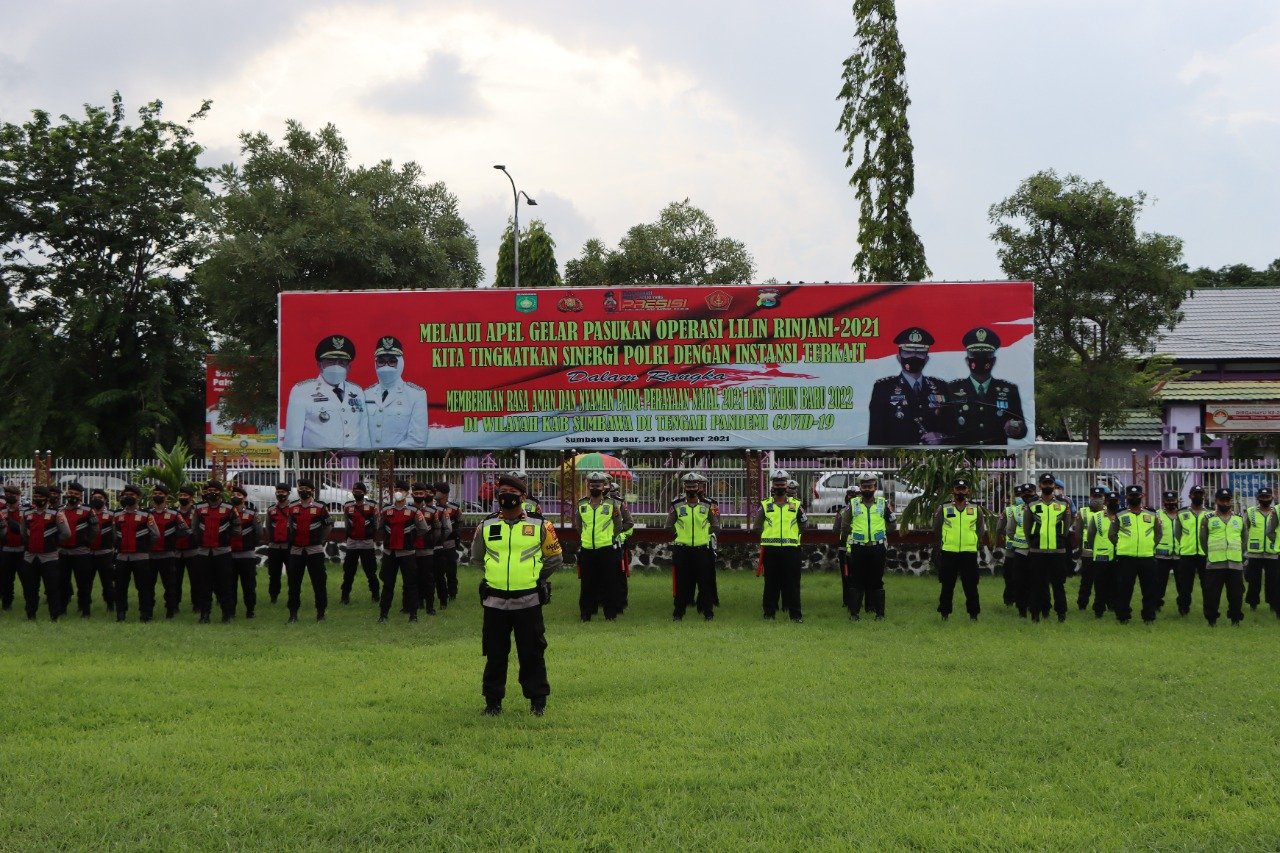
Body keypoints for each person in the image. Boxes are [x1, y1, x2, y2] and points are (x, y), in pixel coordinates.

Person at [471, 473, 564, 717]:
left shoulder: (541, 525)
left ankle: (537, 702)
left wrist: (535, 578)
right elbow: (477, 559)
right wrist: (497, 575)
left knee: (532, 654)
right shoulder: (486, 525)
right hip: (495, 602)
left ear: (523, 497)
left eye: (511, 493)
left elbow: (554, 559)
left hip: (528, 601)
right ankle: (492, 703)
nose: (506, 497)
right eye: (502, 493)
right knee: (495, 654)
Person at [282, 334, 369, 450]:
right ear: (320, 365)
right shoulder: (301, 391)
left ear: (349, 367)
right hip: (318, 463)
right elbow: (293, 439)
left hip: (352, 462)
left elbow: (364, 435)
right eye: (330, 361)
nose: (336, 366)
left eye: (342, 362)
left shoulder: (357, 391)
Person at [867, 326, 950, 446]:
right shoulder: (883, 388)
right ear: (899, 357)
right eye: (908, 352)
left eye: (919, 352)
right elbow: (876, 436)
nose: (914, 357)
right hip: (897, 460)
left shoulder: (941, 387)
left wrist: (942, 437)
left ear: (926, 359)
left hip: (933, 461)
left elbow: (953, 430)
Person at [946, 327, 1028, 446]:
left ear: (994, 361)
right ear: (967, 360)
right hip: (963, 459)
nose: (980, 359)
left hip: (997, 459)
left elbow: (1022, 429)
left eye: (986, 355)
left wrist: (1017, 429)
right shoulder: (952, 389)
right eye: (975, 355)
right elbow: (944, 426)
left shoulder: (1009, 390)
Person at [573, 471, 633, 622]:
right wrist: (586, 538)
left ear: (604, 486)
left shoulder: (612, 504)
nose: (595, 487)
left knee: (609, 583)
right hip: (587, 549)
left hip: (606, 549)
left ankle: (610, 614)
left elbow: (619, 525)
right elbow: (578, 525)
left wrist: (609, 538)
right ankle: (585, 614)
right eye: (592, 484)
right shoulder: (581, 504)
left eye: (598, 485)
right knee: (587, 584)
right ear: (588, 485)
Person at [752, 470, 807, 622]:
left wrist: (792, 535)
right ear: (773, 486)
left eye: (782, 484)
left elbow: (804, 524)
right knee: (771, 584)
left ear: (787, 485)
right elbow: (757, 527)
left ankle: (795, 615)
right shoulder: (765, 505)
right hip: (771, 550)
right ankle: (769, 614)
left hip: (791, 551)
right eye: (777, 484)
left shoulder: (796, 505)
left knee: (793, 584)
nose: (780, 486)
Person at [668, 472, 720, 621]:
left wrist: (705, 534)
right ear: (684, 487)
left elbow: (716, 525)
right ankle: (678, 613)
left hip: (702, 549)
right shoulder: (677, 504)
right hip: (682, 549)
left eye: (694, 486)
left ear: (698, 487)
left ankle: (708, 613)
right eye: (688, 486)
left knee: (705, 583)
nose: (691, 488)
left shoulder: (707, 505)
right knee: (682, 583)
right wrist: (678, 535)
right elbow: (668, 525)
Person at [842, 472, 894, 620]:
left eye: (869, 486)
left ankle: (880, 614)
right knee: (856, 581)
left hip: (877, 548)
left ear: (875, 487)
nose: (867, 489)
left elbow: (892, 523)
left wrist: (882, 534)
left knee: (877, 580)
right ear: (860, 488)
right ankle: (854, 614)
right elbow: (845, 525)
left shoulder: (883, 503)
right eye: (864, 486)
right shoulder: (853, 504)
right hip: (859, 548)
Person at [934, 476, 986, 620]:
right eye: (958, 489)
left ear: (968, 491)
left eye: (963, 489)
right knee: (947, 585)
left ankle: (973, 614)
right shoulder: (944, 508)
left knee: (971, 586)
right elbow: (937, 528)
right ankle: (944, 613)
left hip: (969, 553)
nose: (960, 491)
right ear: (953, 490)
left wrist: (973, 541)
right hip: (949, 552)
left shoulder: (976, 509)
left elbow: (980, 529)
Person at [363, 335, 428, 449]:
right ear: (375, 363)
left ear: (401, 363)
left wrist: (388, 456)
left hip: (400, 463)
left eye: (392, 361)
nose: (386, 366)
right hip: (368, 462)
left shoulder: (415, 395)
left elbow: (418, 440)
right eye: (381, 361)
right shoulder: (365, 394)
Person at [1108, 484, 1161, 624]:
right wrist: (1121, 546)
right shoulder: (1120, 514)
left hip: (1147, 557)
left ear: (1142, 496)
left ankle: (1149, 616)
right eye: (1131, 496)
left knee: (1149, 589)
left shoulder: (1151, 514)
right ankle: (1123, 616)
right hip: (1126, 557)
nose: (1134, 498)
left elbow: (1158, 534)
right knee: (1124, 589)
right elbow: (1112, 535)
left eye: (1137, 495)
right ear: (1126, 497)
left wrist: (1150, 546)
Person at [1024, 473, 1072, 622]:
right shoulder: (1032, 503)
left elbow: (1067, 524)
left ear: (1054, 486)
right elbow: (1027, 526)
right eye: (1045, 483)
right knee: (1037, 584)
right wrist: (1032, 542)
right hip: (1037, 550)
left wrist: (1060, 539)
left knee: (1058, 584)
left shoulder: (1063, 503)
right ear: (1040, 485)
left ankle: (1061, 614)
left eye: (1050, 483)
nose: (1048, 486)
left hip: (1057, 550)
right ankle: (1035, 614)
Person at [190, 480, 240, 624]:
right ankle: (204, 614)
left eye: (215, 490)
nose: (212, 492)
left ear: (220, 492)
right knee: (204, 585)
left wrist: (226, 539)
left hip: (222, 552)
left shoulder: (229, 508)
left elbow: (237, 529)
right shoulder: (199, 508)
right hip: (204, 552)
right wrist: (199, 540)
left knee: (225, 585)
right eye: (209, 490)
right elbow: (193, 528)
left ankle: (227, 614)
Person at [377, 482, 427, 623]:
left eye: (401, 490)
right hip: (390, 553)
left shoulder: (413, 511)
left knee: (411, 584)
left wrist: (410, 538)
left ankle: (413, 615)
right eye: (396, 489)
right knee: (388, 584)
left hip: (407, 553)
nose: (398, 492)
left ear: (407, 493)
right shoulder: (386, 511)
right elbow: (379, 527)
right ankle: (383, 615)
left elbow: (423, 529)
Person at [286, 478, 332, 622]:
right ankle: (293, 614)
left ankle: (321, 613)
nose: (303, 491)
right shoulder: (292, 507)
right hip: (296, 551)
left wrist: (319, 540)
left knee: (319, 583)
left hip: (314, 550)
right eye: (301, 488)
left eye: (306, 488)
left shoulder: (320, 507)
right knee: (293, 584)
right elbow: (290, 527)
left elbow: (329, 525)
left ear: (312, 490)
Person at [1200, 488, 1245, 626]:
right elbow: (1203, 540)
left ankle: (1235, 619)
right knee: (1212, 594)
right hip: (1215, 563)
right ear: (1216, 501)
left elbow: (1244, 538)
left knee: (1236, 594)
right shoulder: (1208, 519)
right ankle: (1211, 619)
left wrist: (1239, 553)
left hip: (1235, 562)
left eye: (1228, 500)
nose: (1225, 502)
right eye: (1222, 500)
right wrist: (1210, 554)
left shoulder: (1239, 518)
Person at [56, 481, 100, 618]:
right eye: (70, 493)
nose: (72, 496)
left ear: (81, 496)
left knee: (83, 584)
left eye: (75, 494)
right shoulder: (60, 510)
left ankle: (85, 610)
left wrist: (86, 541)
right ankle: (62, 609)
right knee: (62, 582)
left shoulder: (88, 511)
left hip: (81, 552)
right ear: (66, 494)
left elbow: (95, 529)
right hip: (63, 552)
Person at [17, 486, 62, 620]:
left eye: (40, 497)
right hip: (30, 557)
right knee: (30, 588)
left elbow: (65, 533)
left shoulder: (56, 514)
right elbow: (23, 533)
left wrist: (52, 543)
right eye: (35, 496)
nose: (37, 499)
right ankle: (31, 615)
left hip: (49, 557)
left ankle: (54, 616)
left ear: (47, 499)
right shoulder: (27, 513)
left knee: (52, 588)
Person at [113, 484, 155, 622]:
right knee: (120, 588)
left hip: (140, 557)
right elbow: (114, 535)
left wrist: (144, 546)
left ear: (138, 497)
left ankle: (145, 615)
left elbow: (156, 534)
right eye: (125, 495)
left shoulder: (146, 515)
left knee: (144, 587)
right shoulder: (117, 515)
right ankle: (120, 614)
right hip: (122, 558)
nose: (128, 497)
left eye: (132, 495)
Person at [148, 485, 191, 620]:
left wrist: (172, 538)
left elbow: (185, 530)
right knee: (148, 586)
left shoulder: (174, 514)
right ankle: (147, 610)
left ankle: (170, 611)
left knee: (170, 585)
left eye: (160, 493)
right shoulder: (147, 513)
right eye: (155, 493)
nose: (157, 495)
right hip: (150, 555)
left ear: (166, 497)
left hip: (168, 555)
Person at [340, 481, 380, 605]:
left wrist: (372, 535)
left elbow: (377, 524)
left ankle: (375, 594)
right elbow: (346, 524)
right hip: (352, 543)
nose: (357, 493)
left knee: (370, 571)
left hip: (367, 543)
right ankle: (345, 596)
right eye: (355, 491)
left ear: (365, 493)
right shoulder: (347, 506)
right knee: (348, 571)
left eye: (359, 492)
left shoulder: (373, 506)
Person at [997, 483, 1034, 617]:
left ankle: (1029, 602)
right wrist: (1010, 541)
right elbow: (1002, 529)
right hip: (1013, 549)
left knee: (1029, 578)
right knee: (1011, 577)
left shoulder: (1036, 508)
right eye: (1018, 495)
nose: (1020, 497)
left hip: (1030, 549)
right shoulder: (1011, 510)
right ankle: (1010, 600)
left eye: (1021, 494)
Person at [1242, 486, 1279, 615]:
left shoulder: (1277, 512)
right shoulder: (1250, 511)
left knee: (1273, 582)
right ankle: (1253, 604)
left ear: (1272, 498)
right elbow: (1244, 529)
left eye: (1267, 497)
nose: (1265, 499)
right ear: (1258, 498)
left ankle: (1273, 605)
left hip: (1272, 553)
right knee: (1253, 581)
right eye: (1262, 497)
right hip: (1254, 553)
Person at [1174, 485, 1210, 616]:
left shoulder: (1210, 514)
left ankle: (1208, 609)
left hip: (1204, 554)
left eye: (1200, 494)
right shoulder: (1182, 513)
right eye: (1196, 494)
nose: (1198, 496)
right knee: (1185, 586)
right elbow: (1177, 534)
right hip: (1187, 554)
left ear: (1204, 496)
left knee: (1207, 585)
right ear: (1190, 496)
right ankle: (1183, 609)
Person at [163, 484, 197, 617]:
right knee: (174, 580)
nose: (183, 497)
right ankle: (174, 604)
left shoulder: (196, 512)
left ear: (191, 498)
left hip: (192, 551)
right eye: (181, 495)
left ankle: (197, 604)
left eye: (185, 496)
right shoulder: (174, 513)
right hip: (176, 551)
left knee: (196, 580)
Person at [1084, 491, 1118, 619]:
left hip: (1119, 555)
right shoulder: (1097, 517)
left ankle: (1113, 605)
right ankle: (1099, 609)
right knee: (1100, 585)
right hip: (1101, 557)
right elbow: (1091, 537)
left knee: (1116, 583)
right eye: (1110, 501)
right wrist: (1097, 549)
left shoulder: (1123, 516)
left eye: (1115, 501)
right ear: (1105, 502)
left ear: (1119, 502)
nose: (1113, 503)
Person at [228, 484, 259, 619]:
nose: (235, 497)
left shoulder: (252, 514)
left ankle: (250, 610)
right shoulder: (226, 512)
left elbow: (258, 533)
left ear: (244, 498)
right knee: (230, 585)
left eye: (239, 495)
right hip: (229, 555)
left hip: (247, 555)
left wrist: (250, 545)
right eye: (233, 495)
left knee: (249, 585)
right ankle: (231, 610)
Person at [1073, 486, 1107, 612]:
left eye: (1100, 497)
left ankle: (1106, 604)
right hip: (1088, 552)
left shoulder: (1108, 512)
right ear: (1090, 497)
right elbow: (1078, 533)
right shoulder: (1082, 512)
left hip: (1104, 551)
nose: (1097, 500)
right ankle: (1082, 604)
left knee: (1104, 580)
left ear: (1104, 498)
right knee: (1086, 580)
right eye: (1095, 497)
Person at [412, 482, 442, 614]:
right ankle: (416, 603)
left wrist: (431, 542)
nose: (418, 495)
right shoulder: (408, 510)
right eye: (416, 493)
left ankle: (430, 607)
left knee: (428, 579)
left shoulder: (432, 511)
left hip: (427, 550)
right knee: (413, 578)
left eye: (421, 493)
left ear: (425, 494)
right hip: (411, 550)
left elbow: (438, 529)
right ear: (412, 494)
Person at [434, 482, 462, 605]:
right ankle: (442, 594)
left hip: (449, 543)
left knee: (451, 571)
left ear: (444, 493)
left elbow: (460, 523)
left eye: (437, 491)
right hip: (436, 545)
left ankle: (452, 593)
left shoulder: (454, 508)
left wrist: (454, 534)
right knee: (437, 572)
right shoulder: (431, 508)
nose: (434, 493)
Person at [264, 482, 293, 604]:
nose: (280, 494)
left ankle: (293, 596)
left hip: (289, 547)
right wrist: (271, 541)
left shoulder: (293, 508)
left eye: (283, 492)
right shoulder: (271, 509)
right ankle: (273, 597)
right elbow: (268, 527)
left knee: (292, 574)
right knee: (274, 574)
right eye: (278, 492)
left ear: (288, 494)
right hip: (274, 546)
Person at [88, 488, 116, 613]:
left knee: (107, 582)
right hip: (88, 553)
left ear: (105, 500)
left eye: (100, 498)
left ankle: (110, 604)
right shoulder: (87, 514)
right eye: (94, 497)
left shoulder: (111, 515)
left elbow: (115, 534)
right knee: (86, 582)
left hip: (105, 554)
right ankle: (84, 605)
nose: (97, 500)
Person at [1154, 490, 1181, 613]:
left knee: (1182, 584)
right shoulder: (1157, 514)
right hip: (1162, 554)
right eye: (1167, 501)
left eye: (1173, 500)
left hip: (1179, 554)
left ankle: (1183, 606)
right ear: (1163, 501)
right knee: (1159, 583)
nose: (1170, 503)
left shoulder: (1182, 514)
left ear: (1177, 501)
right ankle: (1156, 604)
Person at [1, 481, 27, 612]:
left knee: (26, 579)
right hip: (6, 550)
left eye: (11, 495)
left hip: (22, 550)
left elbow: (24, 530)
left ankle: (30, 602)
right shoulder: (2, 511)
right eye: (7, 495)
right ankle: (6, 604)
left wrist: (10, 521)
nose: (9, 497)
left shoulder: (26, 511)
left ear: (18, 496)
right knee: (6, 579)